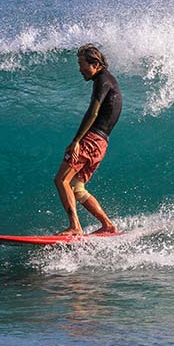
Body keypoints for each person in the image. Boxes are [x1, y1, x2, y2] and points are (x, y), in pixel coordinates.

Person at [54, 44, 122, 235]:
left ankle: (75, 227)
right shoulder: (109, 80)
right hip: (102, 143)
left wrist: (76, 140)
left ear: (96, 64)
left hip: (91, 140)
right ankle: (108, 225)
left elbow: (93, 112)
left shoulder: (102, 80)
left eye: (82, 64)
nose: (79, 69)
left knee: (61, 180)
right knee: (76, 186)